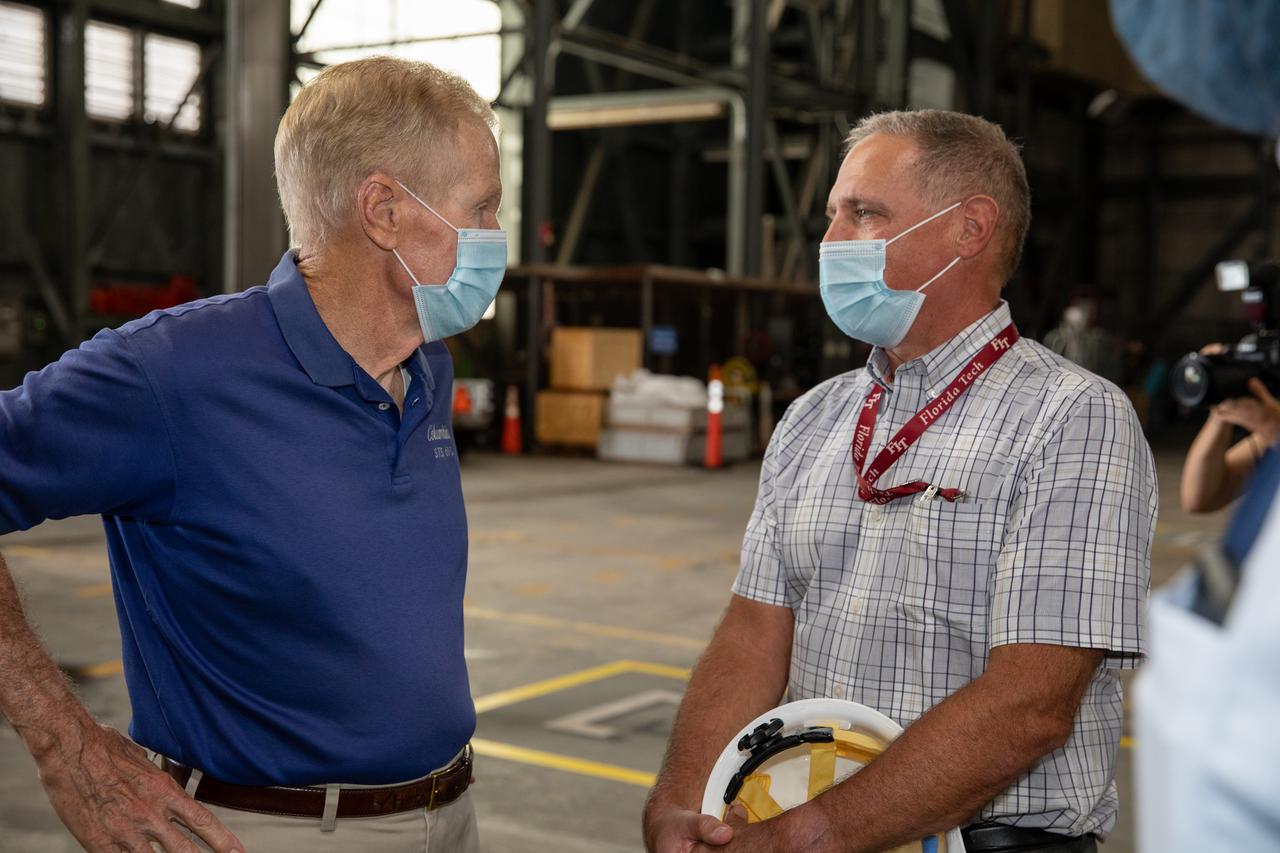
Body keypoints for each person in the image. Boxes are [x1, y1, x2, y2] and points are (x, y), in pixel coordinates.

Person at [0, 57, 504, 852]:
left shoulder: (426, 368)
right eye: (482, 208)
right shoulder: (169, 374)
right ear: (383, 211)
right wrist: (63, 740)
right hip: (262, 831)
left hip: (450, 816)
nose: (496, 239)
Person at [643, 110, 1156, 853]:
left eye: (863, 213)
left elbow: (1031, 704)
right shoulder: (814, 417)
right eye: (831, 216)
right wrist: (677, 801)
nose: (829, 242)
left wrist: (811, 834)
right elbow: (754, 634)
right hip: (809, 824)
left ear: (970, 229)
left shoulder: (1074, 418)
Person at [1179, 344, 1280, 513]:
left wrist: (1272, 428)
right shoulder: (1268, 438)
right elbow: (1198, 499)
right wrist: (1221, 408)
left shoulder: (1273, 430)